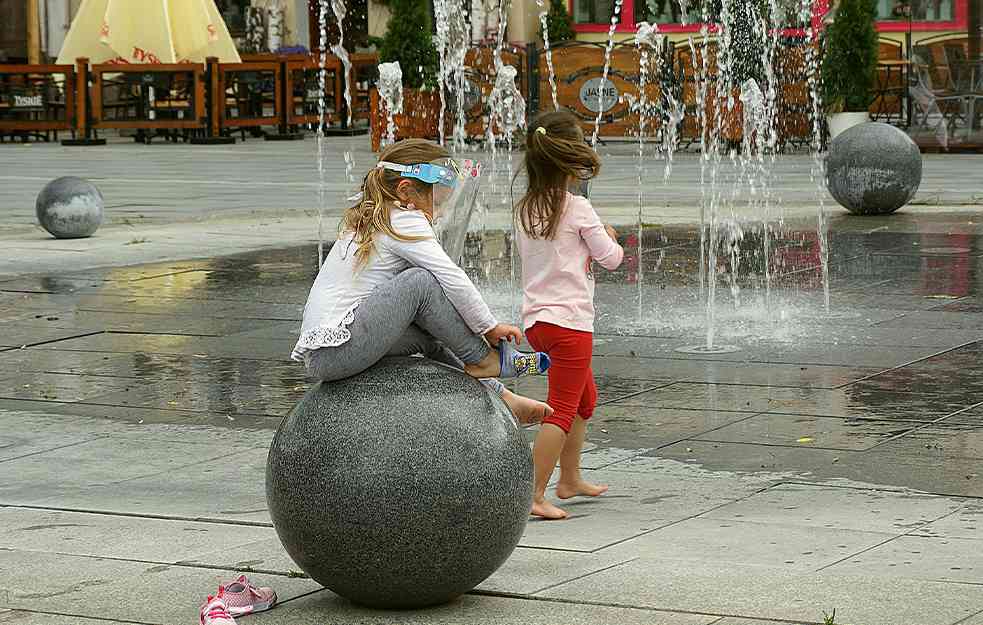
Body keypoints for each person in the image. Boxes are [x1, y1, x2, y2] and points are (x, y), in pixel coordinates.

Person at [291, 138, 552, 424]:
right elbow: (450, 276)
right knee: (420, 282)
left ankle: (501, 397)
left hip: (330, 355)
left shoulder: (380, 216)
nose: (437, 213)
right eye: (437, 203)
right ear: (406, 191)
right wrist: (488, 327)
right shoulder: (403, 218)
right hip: (338, 349)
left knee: (433, 334)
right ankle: (484, 358)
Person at [514, 111, 625, 520]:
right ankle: (534, 492)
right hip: (570, 323)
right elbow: (610, 260)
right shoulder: (577, 208)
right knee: (561, 407)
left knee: (583, 399)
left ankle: (570, 478)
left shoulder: (526, 208)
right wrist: (611, 238)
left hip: (538, 323)